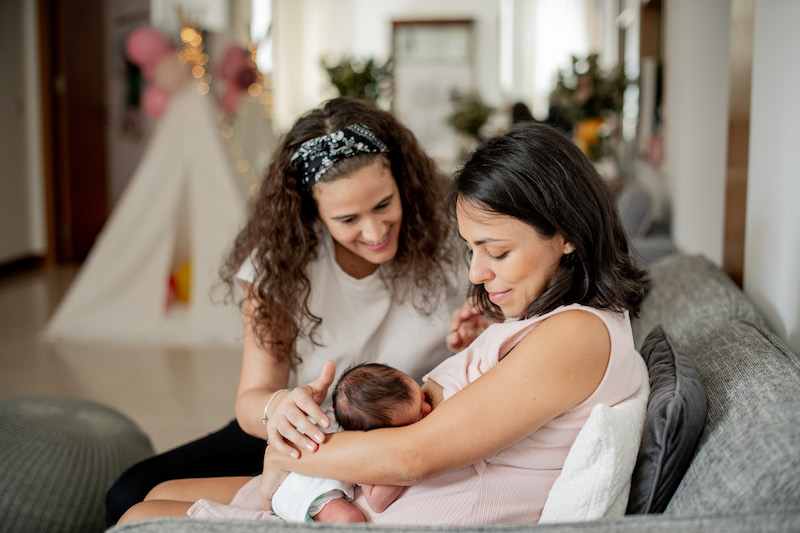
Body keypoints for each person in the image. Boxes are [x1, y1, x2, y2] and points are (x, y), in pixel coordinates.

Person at [118, 122, 651, 526]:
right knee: (148, 492)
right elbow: (258, 395)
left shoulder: (577, 333)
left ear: (567, 234)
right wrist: (284, 423)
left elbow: (413, 456)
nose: (475, 272)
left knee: (142, 517)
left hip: (382, 495)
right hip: (344, 452)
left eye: (495, 252)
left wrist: (289, 455)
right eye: (471, 250)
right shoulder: (550, 318)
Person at [108, 96, 475, 525]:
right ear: (313, 214)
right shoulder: (278, 265)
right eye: (348, 219)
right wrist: (280, 407)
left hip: (404, 427)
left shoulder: (452, 239)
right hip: (308, 429)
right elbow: (252, 399)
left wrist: (477, 332)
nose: (375, 232)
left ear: (403, 184)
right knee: (129, 494)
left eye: (383, 205)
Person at [271, 362, 433, 523]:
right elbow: (376, 502)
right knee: (350, 519)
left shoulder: (345, 414)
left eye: (423, 397)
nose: (428, 409)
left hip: (292, 471)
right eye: (419, 416)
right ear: (378, 434)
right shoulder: (368, 450)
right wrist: (400, 469)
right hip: (301, 491)